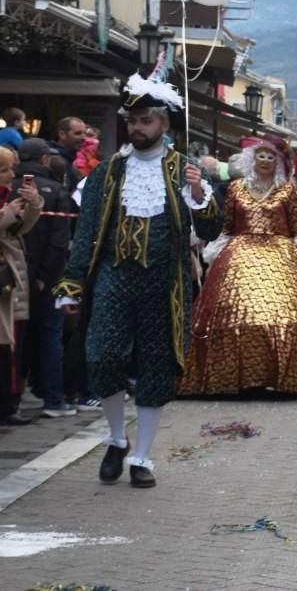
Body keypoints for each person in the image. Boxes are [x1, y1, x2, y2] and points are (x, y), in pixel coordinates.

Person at [52, 75, 222, 487]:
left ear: (163, 123)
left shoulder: (184, 171)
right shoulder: (108, 172)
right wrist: (72, 283)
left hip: (163, 284)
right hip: (113, 277)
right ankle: (116, 438)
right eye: (133, 121)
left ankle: (142, 457)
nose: (138, 128)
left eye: (146, 120)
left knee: (156, 367)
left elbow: (211, 230)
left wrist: (200, 198)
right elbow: (87, 231)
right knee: (102, 357)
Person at [179, 136, 297, 397]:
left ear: (278, 162)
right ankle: (237, 376)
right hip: (239, 256)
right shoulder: (236, 188)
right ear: (252, 159)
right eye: (260, 155)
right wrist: (215, 251)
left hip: (282, 254)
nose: (265, 161)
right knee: (236, 314)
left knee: (287, 314)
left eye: (270, 156)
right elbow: (228, 226)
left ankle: (288, 375)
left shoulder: (286, 190)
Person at [15, 138, 75, 418]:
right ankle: (53, 399)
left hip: (14, 275)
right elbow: (59, 241)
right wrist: (46, 277)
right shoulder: (57, 190)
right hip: (48, 277)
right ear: (43, 159)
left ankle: (13, 400)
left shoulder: (10, 186)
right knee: (51, 335)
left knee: (16, 337)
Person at [0, 147, 42, 425]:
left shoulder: (7, 196)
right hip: (6, 276)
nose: (11, 175)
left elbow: (20, 229)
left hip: (10, 279)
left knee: (11, 344)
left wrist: (33, 205)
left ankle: (8, 403)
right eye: (5, 170)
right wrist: (7, 214)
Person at [50, 116, 87, 193]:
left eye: (85, 133)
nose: (83, 138)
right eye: (78, 133)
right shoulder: (53, 159)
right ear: (62, 134)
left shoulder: (70, 159)